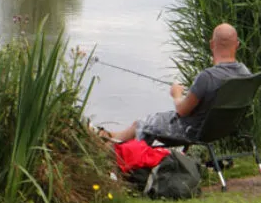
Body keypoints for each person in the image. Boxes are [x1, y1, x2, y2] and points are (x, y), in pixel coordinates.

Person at [102, 23, 251, 143]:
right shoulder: (245, 73)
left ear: (212, 44)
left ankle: (121, 150)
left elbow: (181, 111)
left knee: (144, 123)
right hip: (223, 129)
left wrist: (176, 94)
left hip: (193, 131)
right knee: (146, 121)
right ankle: (115, 138)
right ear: (237, 44)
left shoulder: (207, 77)